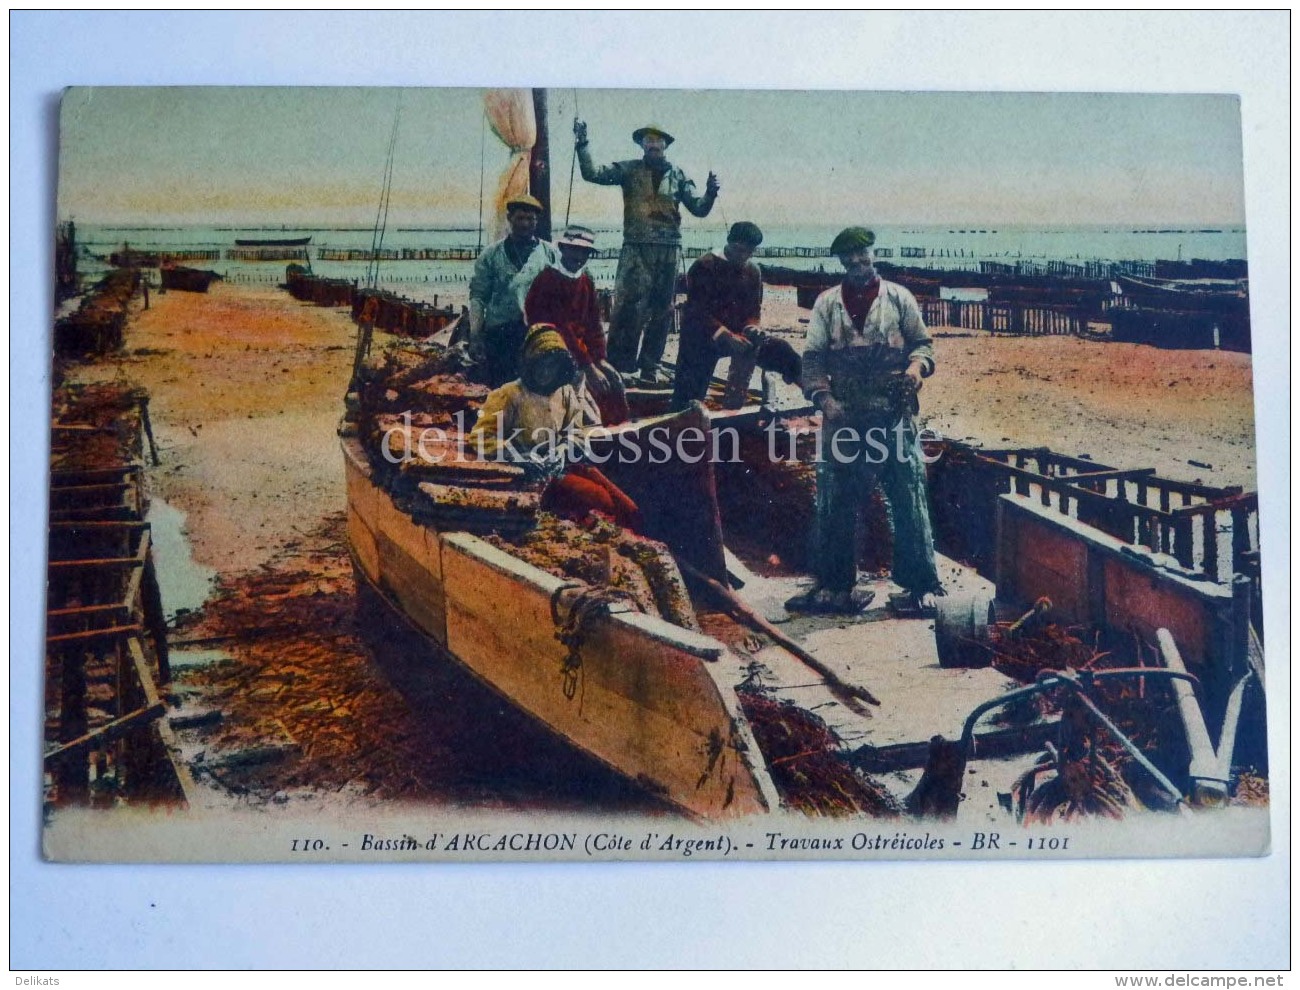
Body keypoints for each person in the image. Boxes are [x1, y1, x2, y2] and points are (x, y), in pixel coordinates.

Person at [787, 226, 944, 615]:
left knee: (908, 494)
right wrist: (824, 399)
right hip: (844, 414)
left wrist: (915, 369)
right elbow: (814, 358)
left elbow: (923, 345)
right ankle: (836, 586)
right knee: (835, 497)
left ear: (873, 255)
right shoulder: (827, 304)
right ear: (841, 262)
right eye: (850, 260)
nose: (858, 265)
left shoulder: (899, 298)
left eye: (864, 258)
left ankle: (921, 586)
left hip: (893, 413)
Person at [574, 120, 719, 384]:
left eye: (657, 140)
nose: (653, 144)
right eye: (647, 140)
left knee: (662, 310)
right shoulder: (628, 170)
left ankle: (650, 366)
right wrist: (583, 143)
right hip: (636, 248)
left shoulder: (679, 175)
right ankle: (619, 365)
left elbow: (699, 208)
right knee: (628, 307)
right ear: (641, 145)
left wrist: (710, 193)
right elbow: (592, 173)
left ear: (665, 145)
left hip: (669, 249)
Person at [466, 324, 641, 531]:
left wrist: (564, 448)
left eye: (552, 366)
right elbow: (480, 437)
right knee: (601, 501)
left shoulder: (565, 393)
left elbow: (577, 431)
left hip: (564, 463)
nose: (546, 372)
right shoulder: (509, 395)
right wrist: (519, 456)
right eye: (541, 365)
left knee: (629, 509)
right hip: (533, 474)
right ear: (530, 363)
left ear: (560, 367)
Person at [523, 224, 629, 425]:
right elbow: (562, 328)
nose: (579, 256)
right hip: (551, 351)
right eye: (574, 250)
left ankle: (620, 426)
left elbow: (593, 324)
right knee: (580, 390)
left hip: (578, 352)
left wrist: (600, 359)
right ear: (562, 249)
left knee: (614, 379)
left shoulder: (585, 280)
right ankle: (588, 428)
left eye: (584, 251)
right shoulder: (548, 280)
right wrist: (589, 366)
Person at [672, 220, 765, 411]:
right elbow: (697, 312)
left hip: (736, 335)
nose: (743, 256)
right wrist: (725, 334)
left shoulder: (753, 271)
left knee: (770, 348)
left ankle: (734, 404)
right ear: (729, 242)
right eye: (739, 250)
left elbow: (754, 310)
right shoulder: (704, 266)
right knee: (689, 392)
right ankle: (682, 412)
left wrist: (753, 326)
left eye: (748, 252)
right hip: (701, 336)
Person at [467, 194, 558, 387]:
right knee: (501, 390)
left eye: (530, 219)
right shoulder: (491, 255)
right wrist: (475, 336)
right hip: (499, 335)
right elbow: (478, 297)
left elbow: (562, 297)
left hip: (537, 334)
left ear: (537, 221)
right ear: (509, 218)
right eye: (520, 218)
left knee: (536, 389)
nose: (525, 224)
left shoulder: (550, 253)